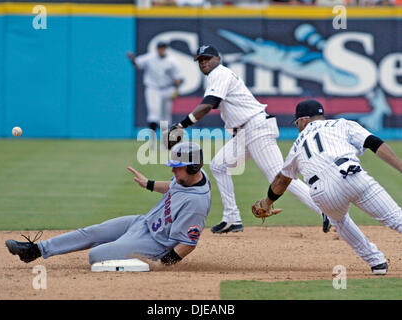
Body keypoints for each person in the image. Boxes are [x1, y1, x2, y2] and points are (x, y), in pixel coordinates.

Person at [168, 45, 331, 234]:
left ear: (218, 59)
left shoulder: (219, 73)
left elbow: (208, 104)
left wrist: (181, 125)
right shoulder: (217, 76)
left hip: (256, 127)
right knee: (218, 165)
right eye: (200, 60)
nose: (203, 62)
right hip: (245, 131)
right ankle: (232, 218)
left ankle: (325, 210)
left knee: (280, 177)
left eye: (207, 58)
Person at [5, 142, 211, 267]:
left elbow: (188, 244)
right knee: (92, 232)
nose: (173, 171)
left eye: (178, 168)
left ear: (193, 167)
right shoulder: (189, 178)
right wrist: (148, 184)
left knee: (96, 255)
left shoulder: (196, 204)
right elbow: (174, 187)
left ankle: (131, 257)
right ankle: (35, 250)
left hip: (155, 243)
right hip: (143, 222)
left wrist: (161, 266)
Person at [257, 99, 402, 274]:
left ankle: (376, 262)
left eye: (297, 123)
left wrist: (267, 202)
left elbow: (282, 181)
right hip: (352, 174)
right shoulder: (342, 124)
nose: (297, 127)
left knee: (339, 221)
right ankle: (376, 260)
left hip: (322, 191)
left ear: (303, 120)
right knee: (396, 218)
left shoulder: (296, 146)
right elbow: (374, 143)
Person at [127, 42, 184, 143]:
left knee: (166, 117)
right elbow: (137, 64)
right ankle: (152, 140)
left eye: (163, 48)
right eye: (159, 48)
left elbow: (179, 78)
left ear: (166, 49)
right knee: (154, 113)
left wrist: (176, 89)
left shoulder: (172, 61)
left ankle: (165, 141)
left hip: (167, 89)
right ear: (157, 49)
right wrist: (132, 60)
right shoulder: (149, 58)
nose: (161, 50)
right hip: (153, 88)